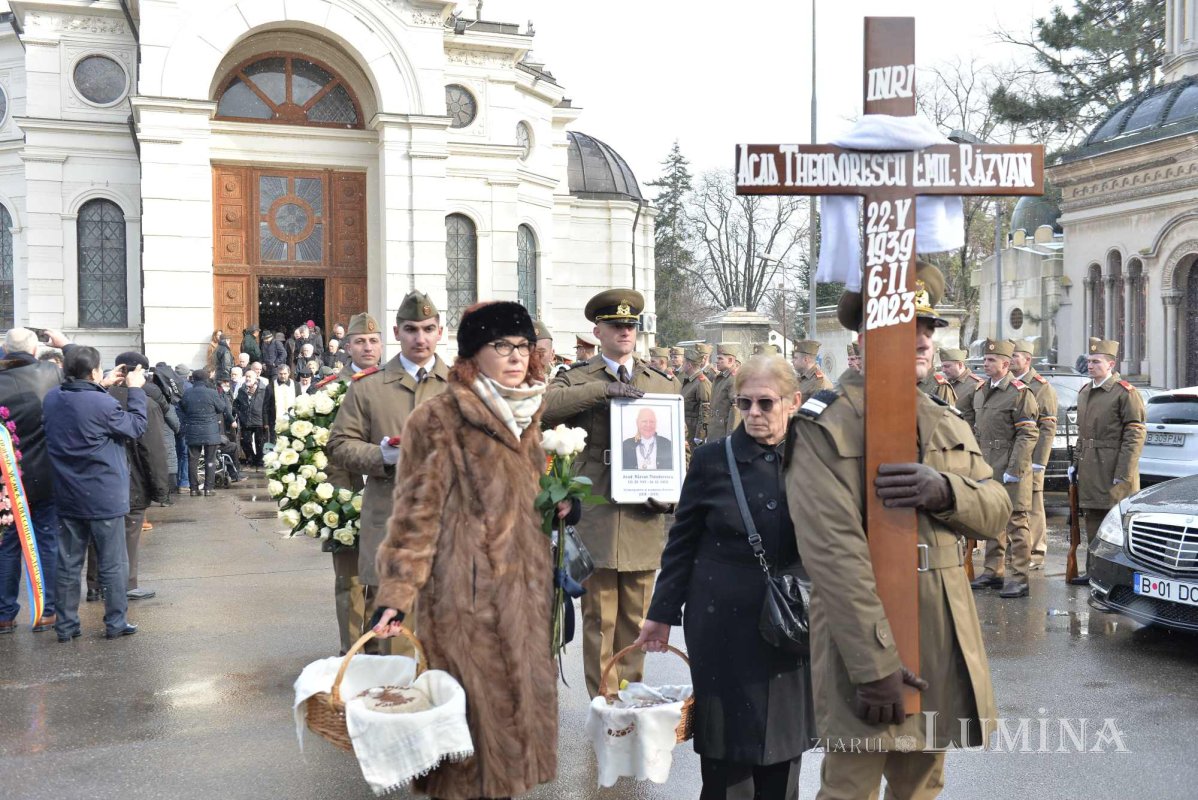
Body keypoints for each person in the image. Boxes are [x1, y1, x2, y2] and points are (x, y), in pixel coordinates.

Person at [786, 262, 1008, 800]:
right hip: (866, 636)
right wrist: (874, 663)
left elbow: (998, 510)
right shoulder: (825, 422)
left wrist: (946, 492)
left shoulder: (944, 417)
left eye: (929, 327)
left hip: (939, 626)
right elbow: (833, 556)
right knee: (850, 789)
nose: (925, 338)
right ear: (865, 336)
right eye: (908, 325)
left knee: (921, 788)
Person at [371, 301, 574, 800]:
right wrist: (397, 592)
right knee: (469, 746)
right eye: (500, 346)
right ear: (471, 355)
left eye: (522, 346)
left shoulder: (527, 412)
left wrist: (559, 504)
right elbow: (415, 515)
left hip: (524, 596)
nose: (515, 357)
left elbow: (520, 500)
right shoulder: (439, 418)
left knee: (512, 737)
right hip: (466, 601)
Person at [637, 354, 815, 800]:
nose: (754, 413)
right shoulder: (715, 458)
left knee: (782, 753)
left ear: (793, 402)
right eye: (744, 403)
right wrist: (660, 613)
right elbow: (682, 541)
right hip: (721, 622)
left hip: (792, 620)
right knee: (725, 756)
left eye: (765, 403)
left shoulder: (815, 457)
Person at [541, 288, 680, 697]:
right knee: (599, 618)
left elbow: (676, 447)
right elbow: (546, 408)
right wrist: (603, 391)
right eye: (616, 326)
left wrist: (671, 495)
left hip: (643, 511)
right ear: (597, 331)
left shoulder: (660, 382)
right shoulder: (578, 378)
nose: (625, 332)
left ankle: (630, 696)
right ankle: (604, 701)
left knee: (637, 619)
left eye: (630, 326)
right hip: (598, 510)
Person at [327, 291, 450, 656]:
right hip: (390, 526)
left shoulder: (462, 387)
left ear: (440, 332)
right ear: (397, 332)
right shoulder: (368, 388)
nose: (420, 338)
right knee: (394, 649)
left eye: (428, 329)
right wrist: (381, 455)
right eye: (411, 329)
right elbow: (338, 445)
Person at [43, 346, 147, 641]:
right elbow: (135, 426)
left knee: (69, 562)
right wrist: (135, 391)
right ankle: (115, 623)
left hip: (67, 493)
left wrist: (100, 384)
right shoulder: (103, 405)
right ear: (93, 371)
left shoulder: (52, 399)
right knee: (113, 563)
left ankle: (65, 626)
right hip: (104, 496)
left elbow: (80, 402)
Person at [321, 312, 384, 654]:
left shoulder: (393, 385)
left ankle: (376, 651)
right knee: (349, 582)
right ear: (348, 347)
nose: (367, 347)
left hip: (383, 499)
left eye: (373, 341)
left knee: (381, 581)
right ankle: (351, 653)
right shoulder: (329, 390)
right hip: (343, 498)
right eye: (360, 341)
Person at [0, 327, 68, 635]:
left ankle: (4, 613)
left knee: (9, 544)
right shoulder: (51, 374)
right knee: (46, 540)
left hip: (8, 480)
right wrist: (65, 344)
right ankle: (47, 611)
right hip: (45, 474)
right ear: (35, 350)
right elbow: (83, 369)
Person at [959, 339, 1039, 599]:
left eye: (991, 360)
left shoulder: (1020, 393)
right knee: (993, 520)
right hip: (987, 464)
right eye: (985, 359)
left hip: (1010, 465)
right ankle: (994, 571)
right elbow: (970, 425)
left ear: (1006, 364)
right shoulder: (981, 390)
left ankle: (1019, 577)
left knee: (1016, 523)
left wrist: (1015, 469)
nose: (985, 363)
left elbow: (1027, 434)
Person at [86, 352, 169, 603]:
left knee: (99, 531)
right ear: (140, 372)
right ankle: (126, 583)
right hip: (132, 479)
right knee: (130, 532)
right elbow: (152, 449)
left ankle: (95, 584)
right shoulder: (144, 403)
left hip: (98, 478)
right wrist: (160, 488)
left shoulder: (98, 397)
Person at [1068, 338, 1146, 585]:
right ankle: (1094, 572)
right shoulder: (1085, 392)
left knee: (1116, 523)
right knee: (1092, 519)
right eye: (1089, 361)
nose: (1090, 365)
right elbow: (1083, 433)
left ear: (1111, 364)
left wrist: (1124, 471)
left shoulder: (1124, 393)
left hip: (1113, 466)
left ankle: (1118, 578)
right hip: (1090, 466)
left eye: (1096, 361)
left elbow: (1135, 435)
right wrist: (1076, 463)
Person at [1010, 339, 1058, 570]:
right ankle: (1017, 549)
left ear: (1027, 360)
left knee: (1034, 505)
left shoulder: (1041, 387)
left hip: (1031, 458)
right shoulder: (1010, 385)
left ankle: (1036, 552)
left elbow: (1047, 427)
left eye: (1015, 356)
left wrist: (1040, 462)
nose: (1010, 360)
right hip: (1012, 456)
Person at [180, 369, 233, 496]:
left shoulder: (187, 393)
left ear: (193, 379)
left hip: (193, 430)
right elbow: (221, 408)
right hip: (210, 431)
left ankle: (193, 489)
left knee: (193, 461)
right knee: (210, 459)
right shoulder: (212, 393)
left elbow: (183, 408)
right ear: (206, 379)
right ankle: (208, 489)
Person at [707, 343, 743, 441]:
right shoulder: (721, 377)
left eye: (720, 359)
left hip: (724, 433)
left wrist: (731, 438)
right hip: (716, 430)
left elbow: (736, 410)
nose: (717, 361)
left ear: (730, 360)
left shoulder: (733, 379)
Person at [234, 372, 270, 468]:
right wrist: (239, 414)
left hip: (259, 420)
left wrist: (266, 419)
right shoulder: (242, 390)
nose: (248, 378)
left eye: (250, 377)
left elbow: (267, 404)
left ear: (256, 378)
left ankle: (259, 461)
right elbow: (236, 403)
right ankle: (252, 459)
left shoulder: (263, 389)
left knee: (260, 442)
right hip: (246, 420)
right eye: (246, 376)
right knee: (245, 442)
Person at [680, 345, 713, 446]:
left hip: (694, 433)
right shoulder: (691, 381)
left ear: (689, 365)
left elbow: (705, 411)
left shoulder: (701, 382)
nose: (682, 364)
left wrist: (699, 436)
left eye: (684, 362)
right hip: (688, 431)